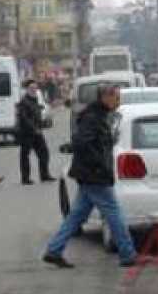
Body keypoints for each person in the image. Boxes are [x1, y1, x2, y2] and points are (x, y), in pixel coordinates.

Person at [44, 85, 149, 269]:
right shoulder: (93, 117)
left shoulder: (97, 115)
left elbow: (86, 142)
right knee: (114, 214)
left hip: (89, 175)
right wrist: (100, 166)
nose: (118, 101)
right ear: (105, 97)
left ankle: (54, 250)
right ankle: (128, 254)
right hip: (95, 176)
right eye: (116, 97)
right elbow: (83, 143)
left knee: (76, 216)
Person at [17, 79, 54, 185]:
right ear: (27, 89)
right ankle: (25, 178)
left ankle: (44, 175)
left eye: (35, 88)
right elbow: (24, 118)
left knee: (44, 153)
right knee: (25, 155)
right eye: (31, 88)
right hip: (27, 133)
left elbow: (37, 114)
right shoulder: (24, 102)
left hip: (37, 132)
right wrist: (34, 128)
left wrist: (41, 125)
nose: (33, 90)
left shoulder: (35, 100)